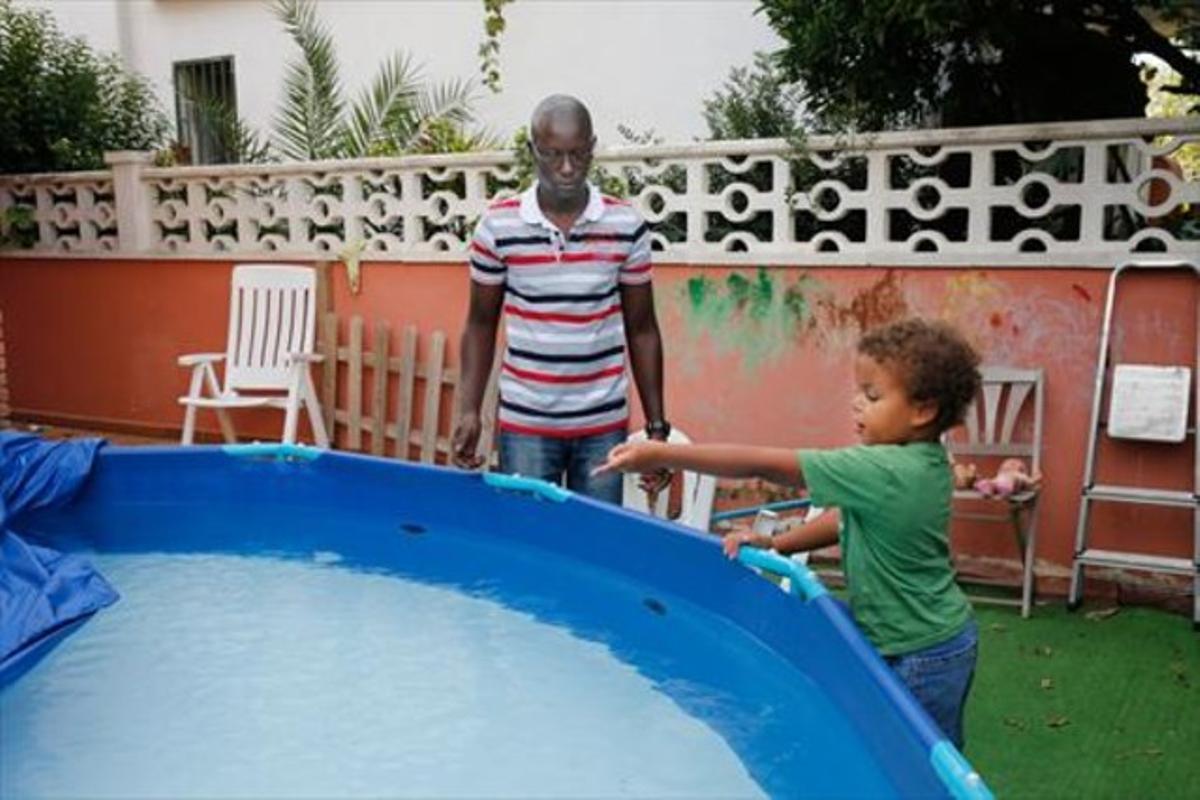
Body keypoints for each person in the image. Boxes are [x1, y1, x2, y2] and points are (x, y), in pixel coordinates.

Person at [594, 318, 982, 748]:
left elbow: (764, 463)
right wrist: (777, 544)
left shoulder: (884, 469)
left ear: (922, 410)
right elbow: (844, 520)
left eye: (872, 396)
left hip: (924, 653)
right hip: (927, 640)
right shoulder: (922, 460)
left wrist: (663, 453)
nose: (856, 404)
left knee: (920, 764)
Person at [451, 94, 670, 504]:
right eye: (553, 155)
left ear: (592, 148)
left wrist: (657, 428)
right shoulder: (499, 226)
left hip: (603, 424)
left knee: (594, 550)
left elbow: (643, 330)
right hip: (525, 424)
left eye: (578, 154)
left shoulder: (626, 226)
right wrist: (469, 410)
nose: (567, 168)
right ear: (533, 151)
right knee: (530, 546)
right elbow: (480, 323)